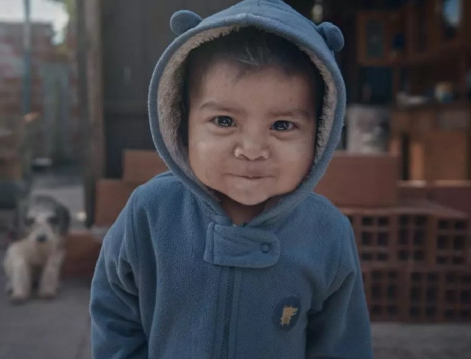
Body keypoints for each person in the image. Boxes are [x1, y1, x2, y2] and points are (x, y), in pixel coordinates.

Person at [90, 0, 372, 357]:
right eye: (224, 121)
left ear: (321, 133)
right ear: (181, 121)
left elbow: (343, 345)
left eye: (282, 125)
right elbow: (114, 313)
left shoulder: (328, 233)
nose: (252, 149)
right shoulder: (150, 212)